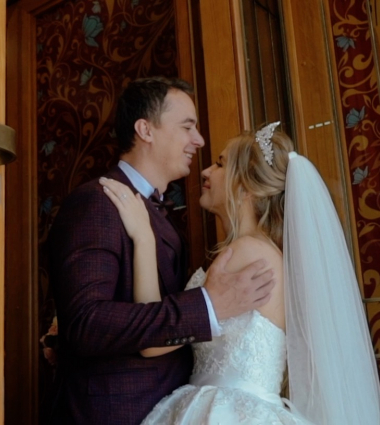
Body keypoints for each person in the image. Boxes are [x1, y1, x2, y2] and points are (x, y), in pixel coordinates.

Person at [100, 122, 380, 424]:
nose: (206, 172)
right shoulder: (258, 251)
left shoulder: (246, 254)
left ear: (245, 187)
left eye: (220, 164)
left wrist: (144, 238)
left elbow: (152, 343)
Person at [46, 77, 277, 425]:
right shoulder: (97, 202)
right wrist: (208, 306)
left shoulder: (165, 222)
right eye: (187, 126)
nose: (198, 140)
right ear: (146, 130)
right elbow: (87, 322)